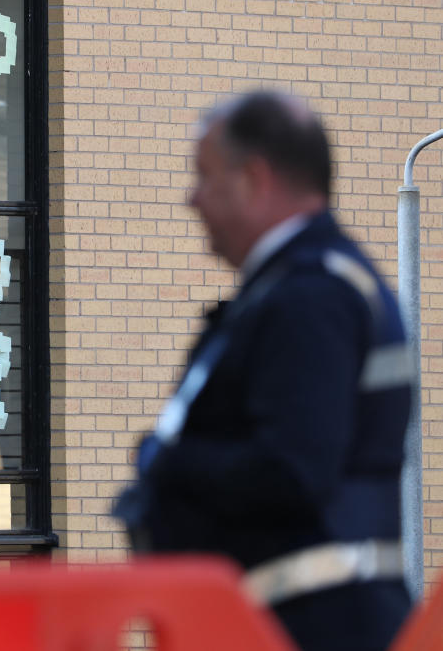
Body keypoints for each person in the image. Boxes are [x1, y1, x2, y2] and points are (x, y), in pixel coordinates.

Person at [114, 91, 412, 651]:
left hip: (308, 628)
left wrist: (168, 463)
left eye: (204, 176)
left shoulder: (311, 298)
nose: (191, 199)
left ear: (254, 178)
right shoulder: (301, 287)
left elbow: (293, 471)